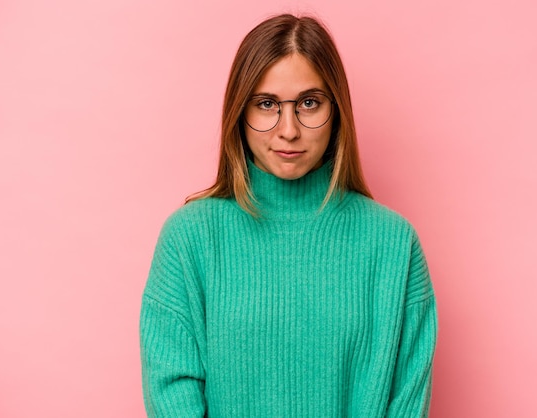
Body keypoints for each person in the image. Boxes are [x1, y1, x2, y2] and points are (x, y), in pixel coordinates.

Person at [140, 13, 437, 417]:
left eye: (309, 103)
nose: (289, 129)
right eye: (266, 105)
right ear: (239, 113)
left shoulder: (394, 245)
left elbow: (406, 400)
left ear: (338, 110)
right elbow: (171, 391)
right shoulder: (190, 239)